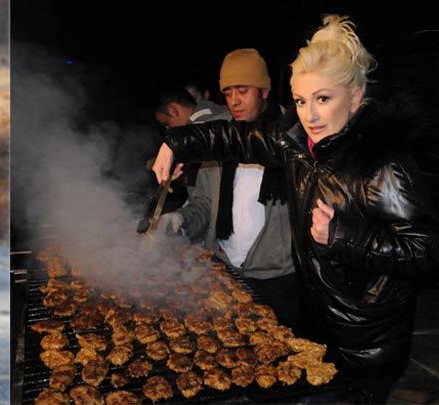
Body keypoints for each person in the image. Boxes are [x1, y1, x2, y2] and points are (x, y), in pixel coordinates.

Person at [152, 15, 438, 404]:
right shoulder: (300, 148)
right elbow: (236, 139)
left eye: (324, 98)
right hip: (316, 326)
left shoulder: (384, 165)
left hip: (365, 346)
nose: (310, 116)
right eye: (302, 101)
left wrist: (342, 238)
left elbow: (424, 252)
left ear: (355, 97)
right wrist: (176, 142)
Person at [159, 50, 298, 328]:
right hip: (225, 271)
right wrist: (181, 219)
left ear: (264, 91)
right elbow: (205, 205)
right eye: (228, 92)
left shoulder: (291, 139)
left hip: (278, 280)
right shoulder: (219, 142)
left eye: (243, 90)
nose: (234, 101)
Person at [137, 86, 230, 233]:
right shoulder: (197, 138)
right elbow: (205, 198)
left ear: (173, 110)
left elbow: (222, 131)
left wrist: (176, 143)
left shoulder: (219, 121)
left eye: (167, 124)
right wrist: (181, 218)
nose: (168, 131)